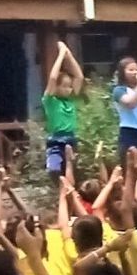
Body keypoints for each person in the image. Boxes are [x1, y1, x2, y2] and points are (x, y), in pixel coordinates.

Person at [43, 41, 85, 178]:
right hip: (56, 141)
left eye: (70, 86)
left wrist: (69, 55)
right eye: (65, 86)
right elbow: (53, 78)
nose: (68, 89)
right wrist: (60, 55)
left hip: (71, 140)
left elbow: (79, 76)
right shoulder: (51, 101)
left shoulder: (71, 100)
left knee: (71, 175)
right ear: (57, 87)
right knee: (54, 172)